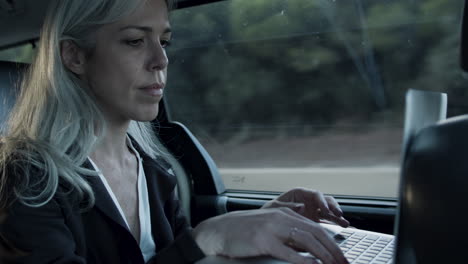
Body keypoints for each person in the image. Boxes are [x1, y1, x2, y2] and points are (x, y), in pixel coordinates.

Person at [0, 0, 350, 263]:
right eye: (136, 41)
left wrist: (262, 221)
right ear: (74, 57)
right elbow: (189, 251)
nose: (160, 60)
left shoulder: (154, 170)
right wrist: (203, 239)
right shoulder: (25, 177)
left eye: (164, 41)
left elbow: (178, 256)